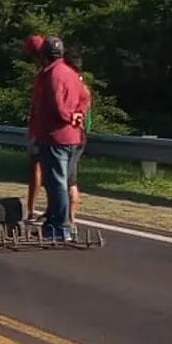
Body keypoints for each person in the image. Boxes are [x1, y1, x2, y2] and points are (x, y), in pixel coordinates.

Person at [32, 37, 90, 241]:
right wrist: (78, 114)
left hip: (56, 136)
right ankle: (57, 223)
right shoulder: (70, 72)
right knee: (62, 182)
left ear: (44, 55)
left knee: (56, 183)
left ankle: (60, 226)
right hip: (73, 136)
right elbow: (85, 97)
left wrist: (68, 116)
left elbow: (57, 106)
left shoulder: (52, 75)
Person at [64, 51, 93, 231]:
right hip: (80, 135)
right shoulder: (83, 86)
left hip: (73, 136)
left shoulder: (75, 86)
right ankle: (67, 219)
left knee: (68, 179)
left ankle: (70, 221)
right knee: (68, 178)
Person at [24, 35, 46, 222]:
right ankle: (37, 208)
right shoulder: (53, 69)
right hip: (44, 127)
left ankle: (31, 209)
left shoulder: (45, 73)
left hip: (40, 127)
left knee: (37, 167)